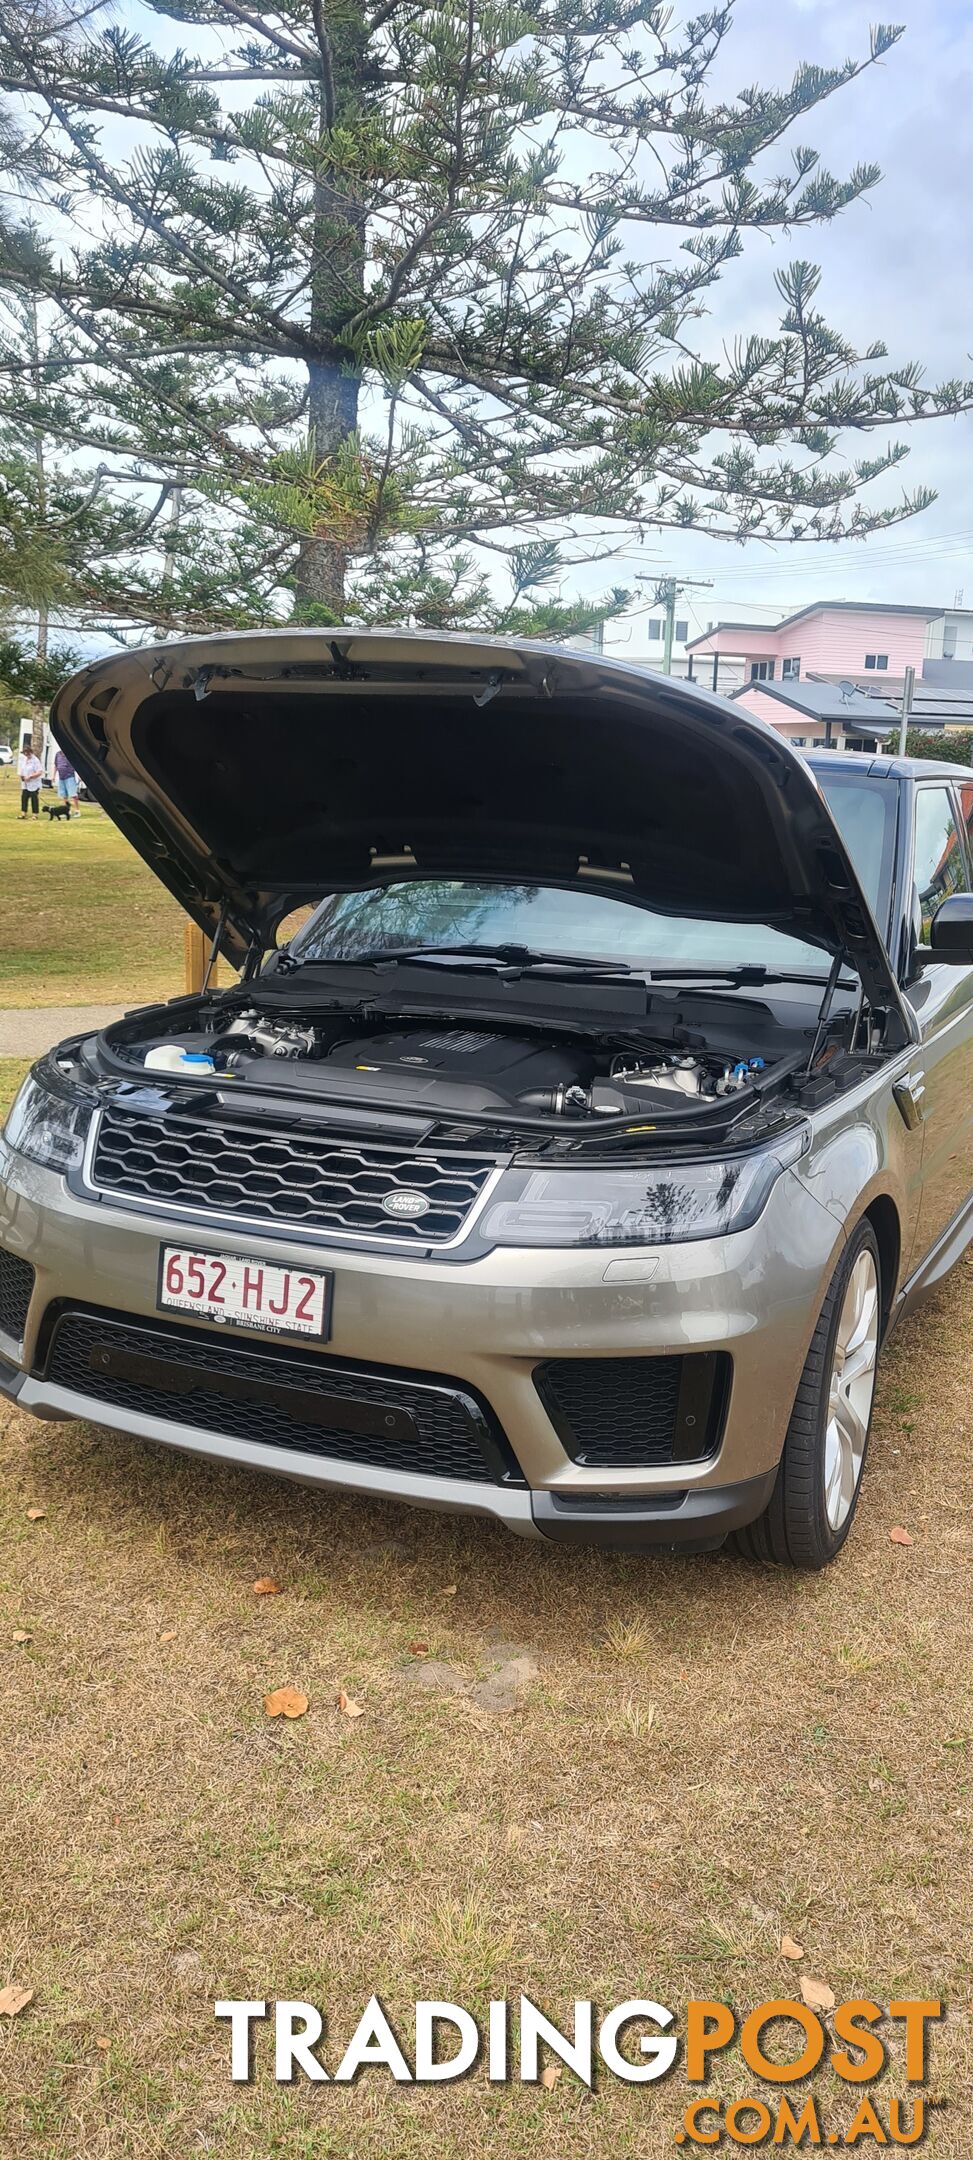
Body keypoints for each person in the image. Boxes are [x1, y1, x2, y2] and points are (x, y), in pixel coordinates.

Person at [17, 735, 42, 818]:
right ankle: (23, 813)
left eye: (27, 753)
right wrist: (22, 776)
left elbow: (39, 772)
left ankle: (35, 814)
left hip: (34, 784)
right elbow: (22, 770)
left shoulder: (35, 760)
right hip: (25, 784)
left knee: (34, 799)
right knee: (24, 798)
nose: (26, 755)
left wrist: (30, 776)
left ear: (30, 752)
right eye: (25, 753)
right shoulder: (24, 759)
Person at [53, 745, 81, 816]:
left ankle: (77, 810)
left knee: (73, 794)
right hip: (61, 777)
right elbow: (56, 765)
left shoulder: (70, 754)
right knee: (64, 795)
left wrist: (79, 775)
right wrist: (53, 776)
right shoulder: (58, 754)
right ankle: (66, 811)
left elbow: (76, 765)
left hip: (70, 776)